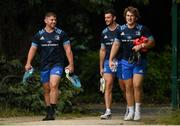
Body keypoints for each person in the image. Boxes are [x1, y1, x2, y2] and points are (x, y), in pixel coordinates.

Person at [25, 12, 74, 121]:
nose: (54, 22)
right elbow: (33, 49)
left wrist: (71, 64)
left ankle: (52, 111)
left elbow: (68, 49)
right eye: (51, 20)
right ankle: (48, 112)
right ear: (46, 21)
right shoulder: (39, 34)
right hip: (44, 65)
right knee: (46, 89)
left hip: (57, 64)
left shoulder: (61, 33)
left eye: (55, 20)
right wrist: (28, 62)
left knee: (53, 84)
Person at [109, 6, 155, 121]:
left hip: (139, 61)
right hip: (125, 62)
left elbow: (152, 42)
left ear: (136, 17)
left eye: (132, 16)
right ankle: (131, 111)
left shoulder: (142, 28)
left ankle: (138, 111)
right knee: (128, 87)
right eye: (128, 15)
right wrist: (110, 59)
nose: (129, 18)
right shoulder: (121, 29)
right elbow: (116, 44)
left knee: (137, 85)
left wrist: (142, 45)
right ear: (125, 17)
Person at [99, 9, 125, 120]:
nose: (106, 20)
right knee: (107, 85)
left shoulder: (122, 29)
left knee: (124, 87)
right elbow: (102, 50)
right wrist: (101, 67)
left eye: (108, 17)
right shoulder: (104, 32)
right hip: (107, 62)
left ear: (114, 18)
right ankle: (108, 111)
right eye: (105, 18)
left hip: (121, 61)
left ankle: (130, 108)